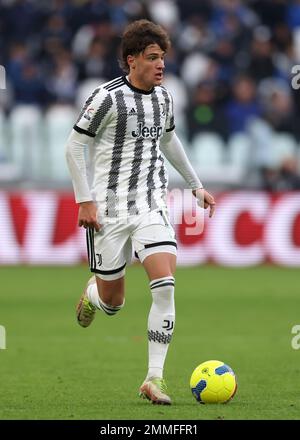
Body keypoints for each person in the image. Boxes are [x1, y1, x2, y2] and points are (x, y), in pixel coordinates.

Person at [65, 19, 215, 405]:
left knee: (165, 284)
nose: (160, 65)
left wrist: (195, 184)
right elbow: (73, 146)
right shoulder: (106, 98)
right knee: (114, 303)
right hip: (108, 212)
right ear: (131, 61)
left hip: (151, 205)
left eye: (163, 57)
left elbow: (168, 139)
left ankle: (154, 378)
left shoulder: (164, 98)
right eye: (152, 58)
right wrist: (85, 199)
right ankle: (94, 295)